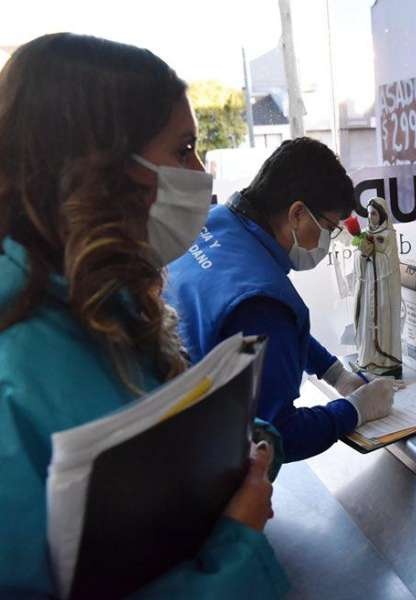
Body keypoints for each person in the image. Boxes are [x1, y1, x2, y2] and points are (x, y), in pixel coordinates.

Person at [0, 34, 287, 598]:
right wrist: (237, 545)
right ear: (96, 166)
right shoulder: (16, 366)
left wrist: (243, 450)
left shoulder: (107, 306)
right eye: (183, 150)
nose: (200, 174)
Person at [166, 137, 394, 462]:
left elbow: (267, 331)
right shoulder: (263, 300)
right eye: (329, 227)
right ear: (297, 214)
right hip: (199, 463)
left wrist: (334, 372)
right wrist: (355, 410)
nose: (328, 240)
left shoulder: (210, 223)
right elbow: (275, 437)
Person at [353, 197, 403, 377]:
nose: (371, 217)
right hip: (367, 286)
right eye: (368, 214)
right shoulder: (364, 234)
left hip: (383, 290)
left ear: (382, 214)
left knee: (382, 321)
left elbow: (390, 265)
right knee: (365, 319)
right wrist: (362, 254)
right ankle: (368, 357)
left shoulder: (389, 235)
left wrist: (373, 253)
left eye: (374, 214)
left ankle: (384, 359)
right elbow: (357, 263)